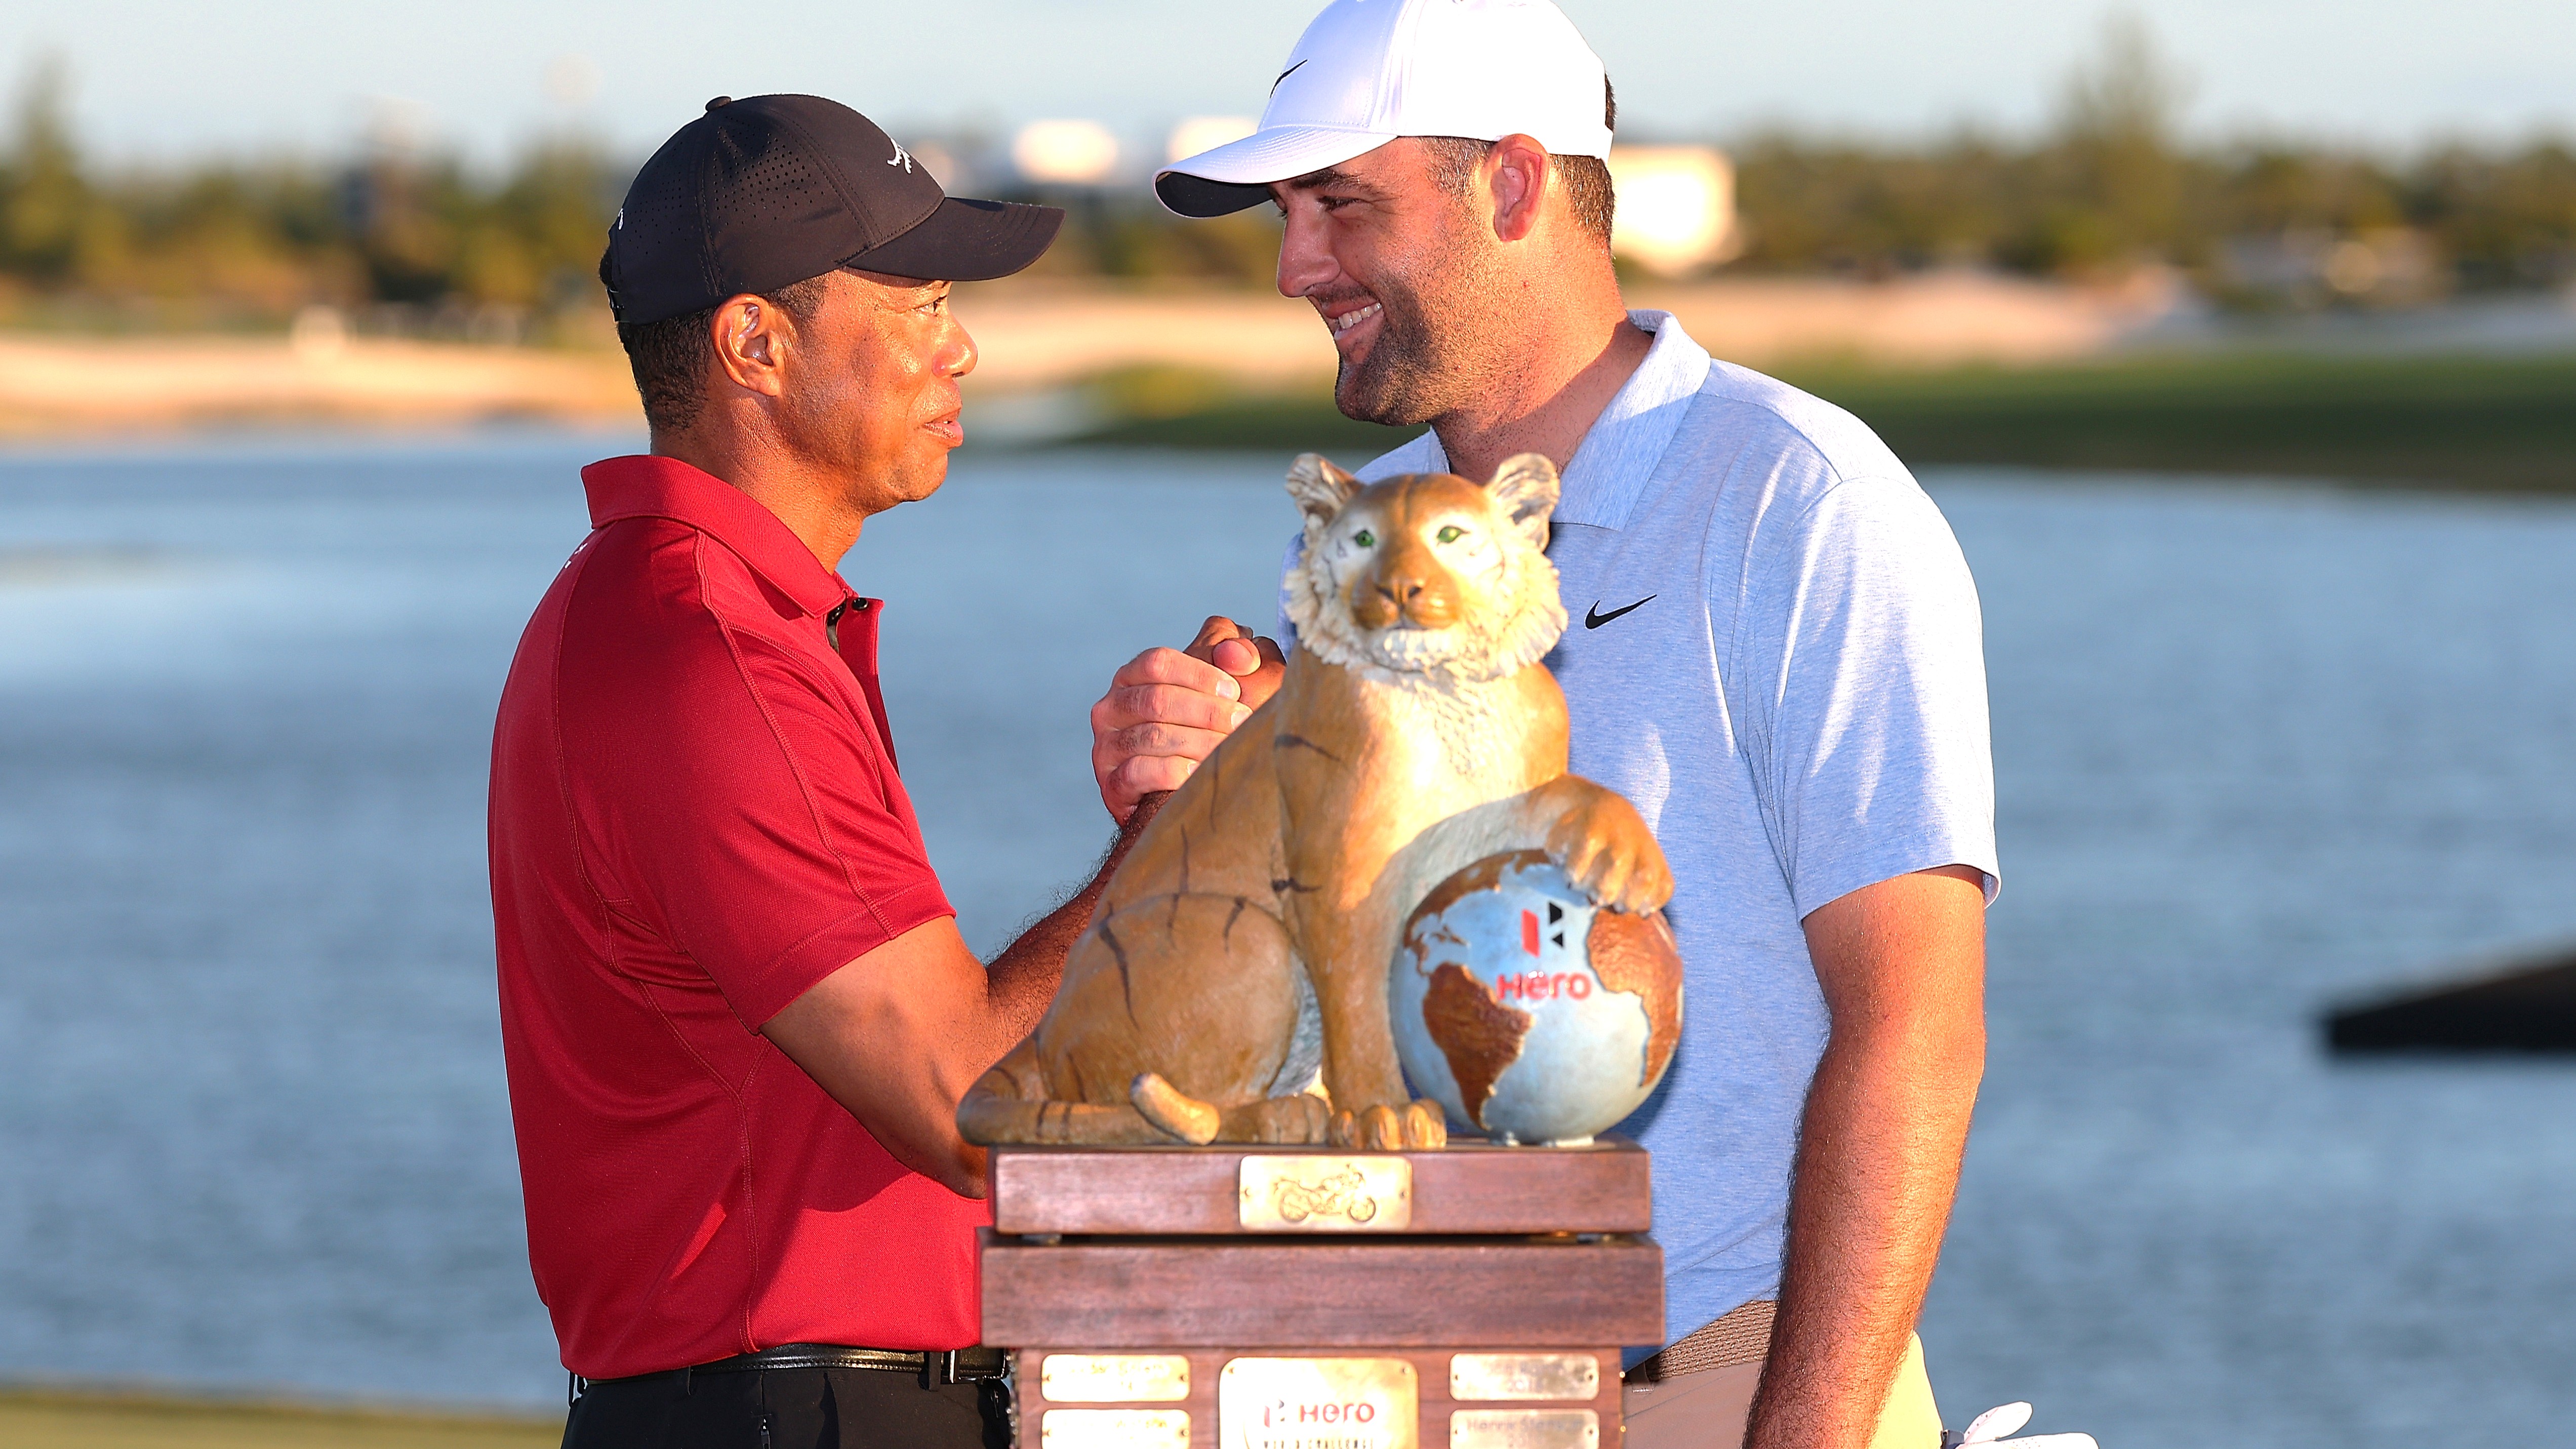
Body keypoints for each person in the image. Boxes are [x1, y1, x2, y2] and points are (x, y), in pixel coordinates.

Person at [1097, 3, 2010, 1446]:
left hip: (1725, 1389)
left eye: (1341, 204)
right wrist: (1191, 812)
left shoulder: (1800, 503)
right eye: (1285, 214)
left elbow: (1916, 1027)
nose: (1293, 267)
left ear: (1514, 184)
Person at [489, 94, 1099, 1449]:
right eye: (920, 302)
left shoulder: (684, 619)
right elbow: (973, 1102)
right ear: (756, 343)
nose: (964, 348)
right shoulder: (706, 658)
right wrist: (1201, 824)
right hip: (800, 1412)